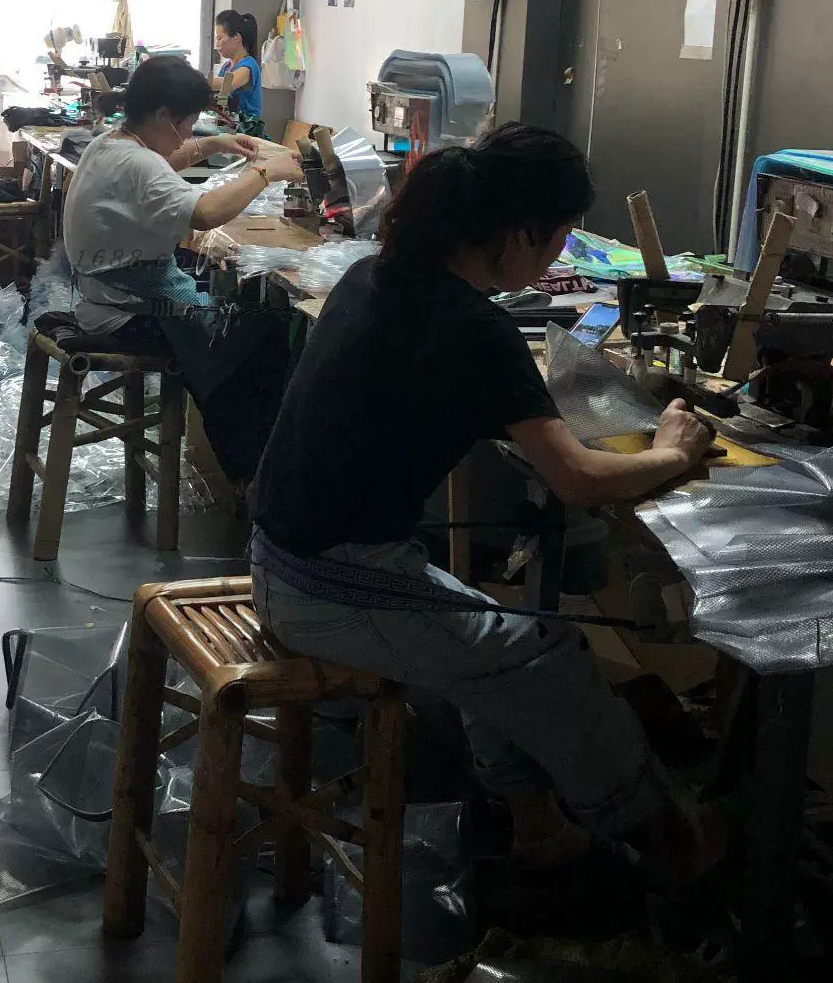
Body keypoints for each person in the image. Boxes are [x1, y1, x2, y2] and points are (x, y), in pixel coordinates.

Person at [249, 124, 725, 882]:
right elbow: (578, 480)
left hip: (282, 560)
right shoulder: (474, 327)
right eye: (556, 241)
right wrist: (675, 451)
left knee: (495, 640)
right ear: (518, 233)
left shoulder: (372, 277)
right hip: (332, 590)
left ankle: (539, 831)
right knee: (545, 659)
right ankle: (670, 849)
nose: (555, 262)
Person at [62, 53, 302, 481]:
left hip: (102, 295)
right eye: (189, 123)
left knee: (233, 303)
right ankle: (257, 476)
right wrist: (265, 172)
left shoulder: (110, 143)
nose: (189, 133)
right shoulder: (137, 162)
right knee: (265, 336)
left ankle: (249, 468)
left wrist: (212, 145)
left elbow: (159, 167)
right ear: (163, 115)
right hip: (126, 313)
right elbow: (206, 213)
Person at [210, 10, 264, 137]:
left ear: (236, 38)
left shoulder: (249, 65)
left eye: (219, 38)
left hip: (247, 130)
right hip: (228, 127)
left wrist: (198, 79)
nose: (217, 44)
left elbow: (228, 84)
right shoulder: (226, 67)